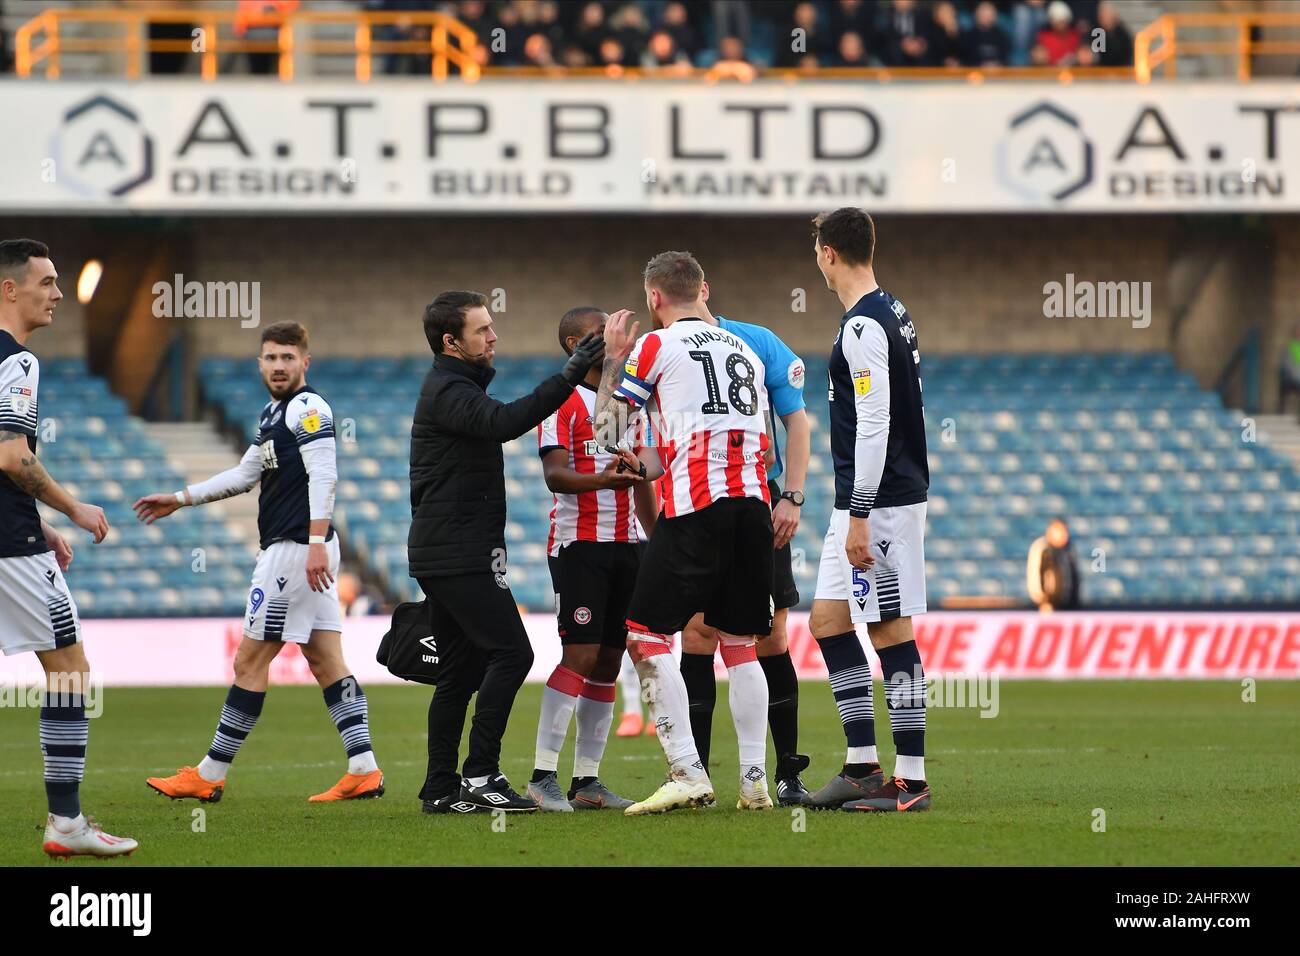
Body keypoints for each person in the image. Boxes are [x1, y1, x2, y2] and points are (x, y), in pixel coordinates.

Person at [137, 322, 385, 804]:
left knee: (249, 659)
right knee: (325, 659)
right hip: (303, 547)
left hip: (295, 550)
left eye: (287, 358)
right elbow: (245, 473)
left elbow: (325, 475)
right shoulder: (275, 414)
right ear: (259, 363)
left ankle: (209, 773)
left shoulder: (308, 408)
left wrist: (314, 542)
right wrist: (181, 498)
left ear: (304, 363)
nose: (278, 366)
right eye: (270, 358)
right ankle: (364, 768)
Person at [593, 251, 776, 814]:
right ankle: (754, 782)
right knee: (741, 644)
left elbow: (607, 430)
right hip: (753, 505)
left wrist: (610, 361)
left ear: (654, 299)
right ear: (704, 290)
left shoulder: (656, 344)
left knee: (645, 635)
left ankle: (688, 771)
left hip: (698, 507)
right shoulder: (743, 348)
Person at [410, 290, 604, 814]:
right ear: (451, 342)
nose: (493, 337)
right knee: (512, 653)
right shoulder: (448, 389)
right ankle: (481, 776)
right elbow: (505, 424)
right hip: (458, 553)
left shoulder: (452, 386)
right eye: (482, 330)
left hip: (449, 550)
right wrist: (568, 376)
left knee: (458, 672)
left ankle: (441, 788)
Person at [0, 239, 133, 858]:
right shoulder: (18, 361)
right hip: (9, 546)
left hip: (17, 530)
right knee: (69, 673)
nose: (57, 294)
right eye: (47, 282)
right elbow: (12, 456)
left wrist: (39, 520)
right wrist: (71, 509)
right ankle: (67, 824)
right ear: (10, 289)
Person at [806, 208, 932, 813]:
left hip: (877, 503)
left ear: (828, 254)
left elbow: (875, 424)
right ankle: (861, 765)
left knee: (888, 629)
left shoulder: (862, 326)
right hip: (859, 501)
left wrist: (860, 512)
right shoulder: (893, 311)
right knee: (828, 621)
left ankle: (910, 780)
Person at [676, 307, 812, 806]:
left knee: (772, 638)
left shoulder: (757, 339)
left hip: (757, 494)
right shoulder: (664, 343)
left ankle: (787, 773)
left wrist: (792, 496)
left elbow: (797, 422)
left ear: (704, 290)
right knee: (698, 633)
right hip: (695, 495)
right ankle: (698, 777)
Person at [527, 307, 659, 811]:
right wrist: (605, 478)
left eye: (615, 332)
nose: (613, 340)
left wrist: (637, 468)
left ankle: (586, 781)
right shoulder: (560, 402)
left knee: (608, 660)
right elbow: (556, 475)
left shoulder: (629, 401)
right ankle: (542, 776)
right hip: (580, 544)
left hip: (628, 544)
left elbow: (651, 462)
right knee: (580, 655)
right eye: (601, 335)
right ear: (573, 344)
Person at [1027, 517, 1080, 611]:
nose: (1064, 535)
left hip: (1066, 605)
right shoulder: (1042, 548)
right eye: (1060, 531)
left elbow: (1073, 577)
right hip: (1047, 606)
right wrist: (1043, 600)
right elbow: (1035, 575)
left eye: (1065, 531)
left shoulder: (1068, 549)